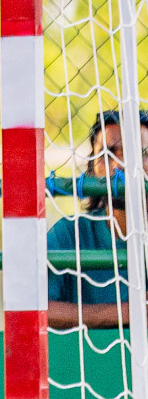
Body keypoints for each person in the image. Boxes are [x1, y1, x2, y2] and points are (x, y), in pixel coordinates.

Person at [46, 109, 148, 330]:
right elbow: (35, 310)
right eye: (107, 154)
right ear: (92, 168)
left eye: (138, 152)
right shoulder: (69, 233)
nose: (119, 165)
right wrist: (129, 312)